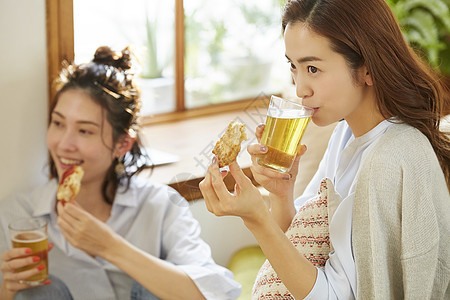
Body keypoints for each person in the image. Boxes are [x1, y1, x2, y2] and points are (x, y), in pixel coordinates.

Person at [200, 0, 450, 299]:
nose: (300, 88)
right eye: (293, 67)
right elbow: (303, 252)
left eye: (313, 68)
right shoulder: (345, 134)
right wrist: (281, 193)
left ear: (368, 69)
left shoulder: (390, 159)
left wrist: (257, 219)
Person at [0, 46, 241, 300]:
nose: (64, 144)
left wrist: (110, 247)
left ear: (122, 144)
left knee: (152, 288)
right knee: (41, 292)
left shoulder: (160, 206)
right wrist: (7, 291)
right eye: (58, 123)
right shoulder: (16, 217)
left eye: (85, 131)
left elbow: (217, 295)